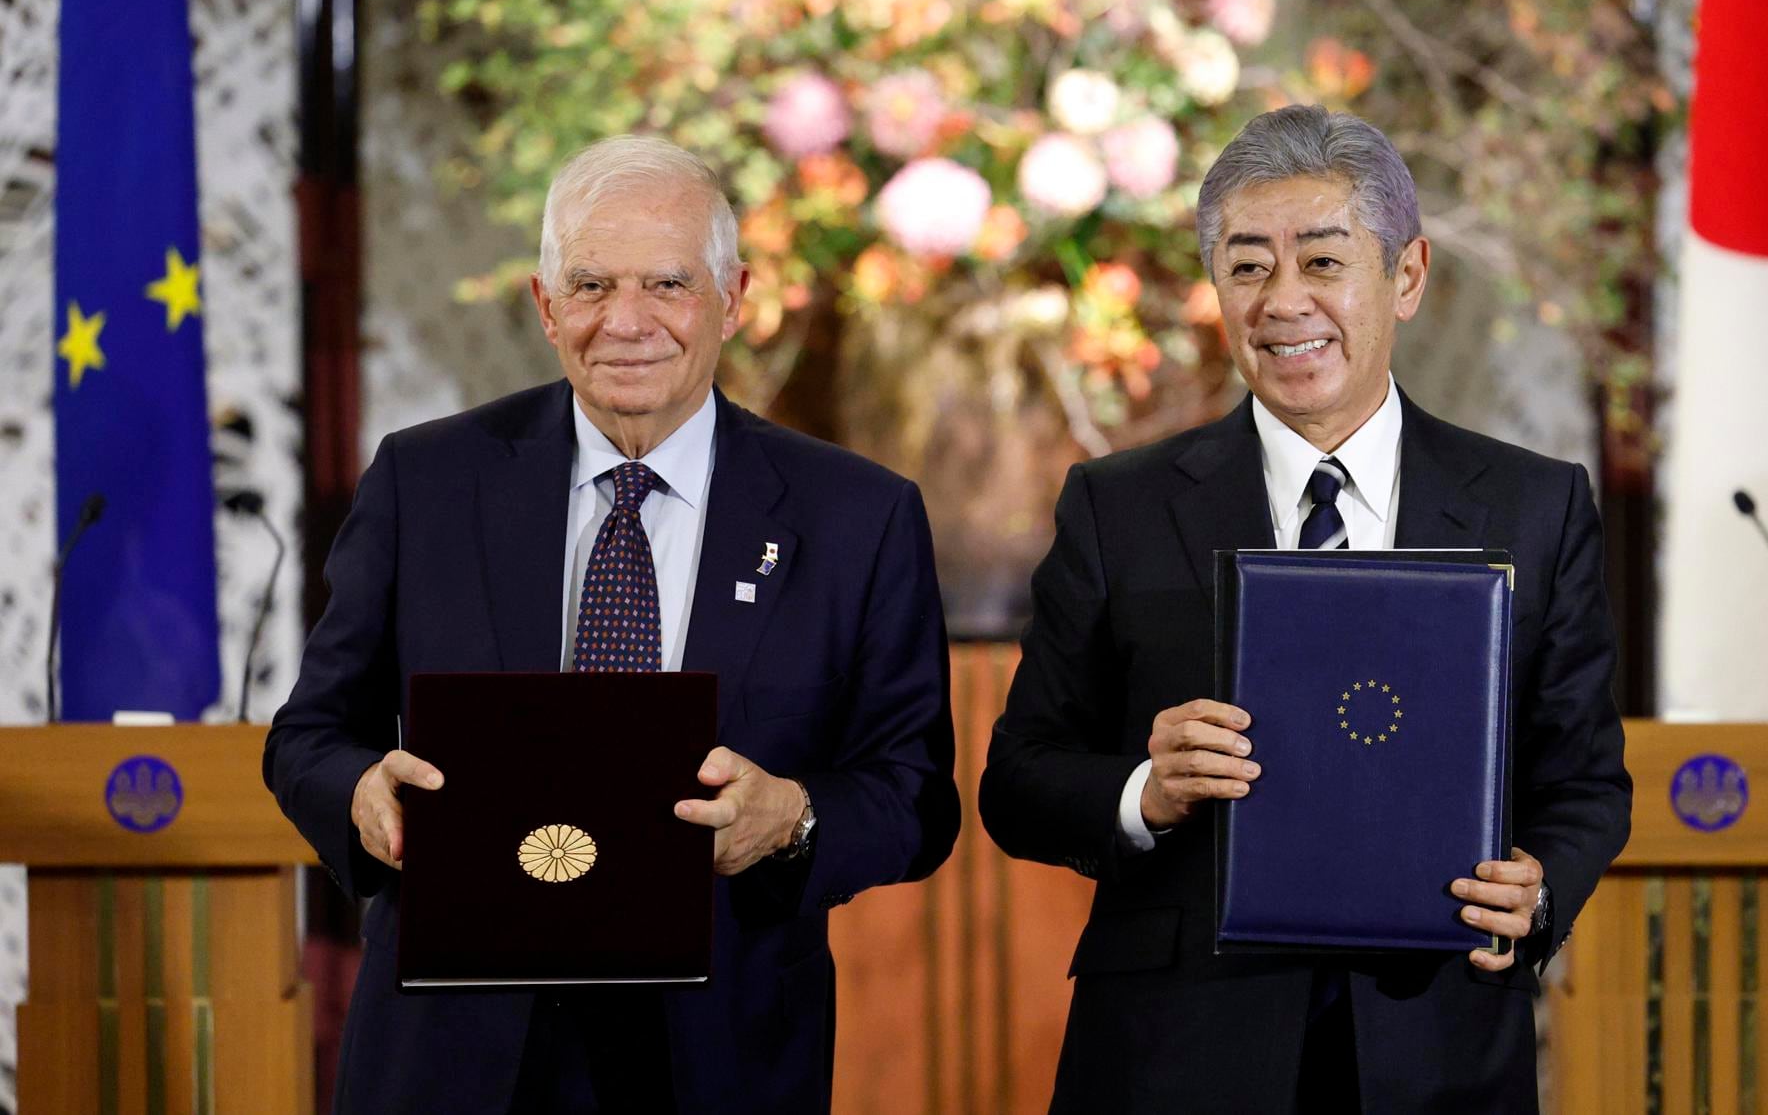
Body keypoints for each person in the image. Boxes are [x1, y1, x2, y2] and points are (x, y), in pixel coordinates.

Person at [265, 136, 959, 1114]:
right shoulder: (427, 482)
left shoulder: (856, 515)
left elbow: (916, 796)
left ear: (735, 297)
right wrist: (360, 791)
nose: (625, 322)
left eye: (667, 283)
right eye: (590, 284)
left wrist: (793, 816)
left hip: (719, 1047)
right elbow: (308, 736)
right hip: (453, 1050)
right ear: (547, 308)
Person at [978, 105, 1632, 1113]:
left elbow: (1585, 780)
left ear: (1405, 275)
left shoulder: (1532, 506)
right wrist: (1144, 790)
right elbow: (1018, 780)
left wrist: (1538, 889)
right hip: (1175, 1049)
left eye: (1322, 261)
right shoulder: (1120, 504)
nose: (1284, 301)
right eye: (1247, 266)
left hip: (1437, 1045)